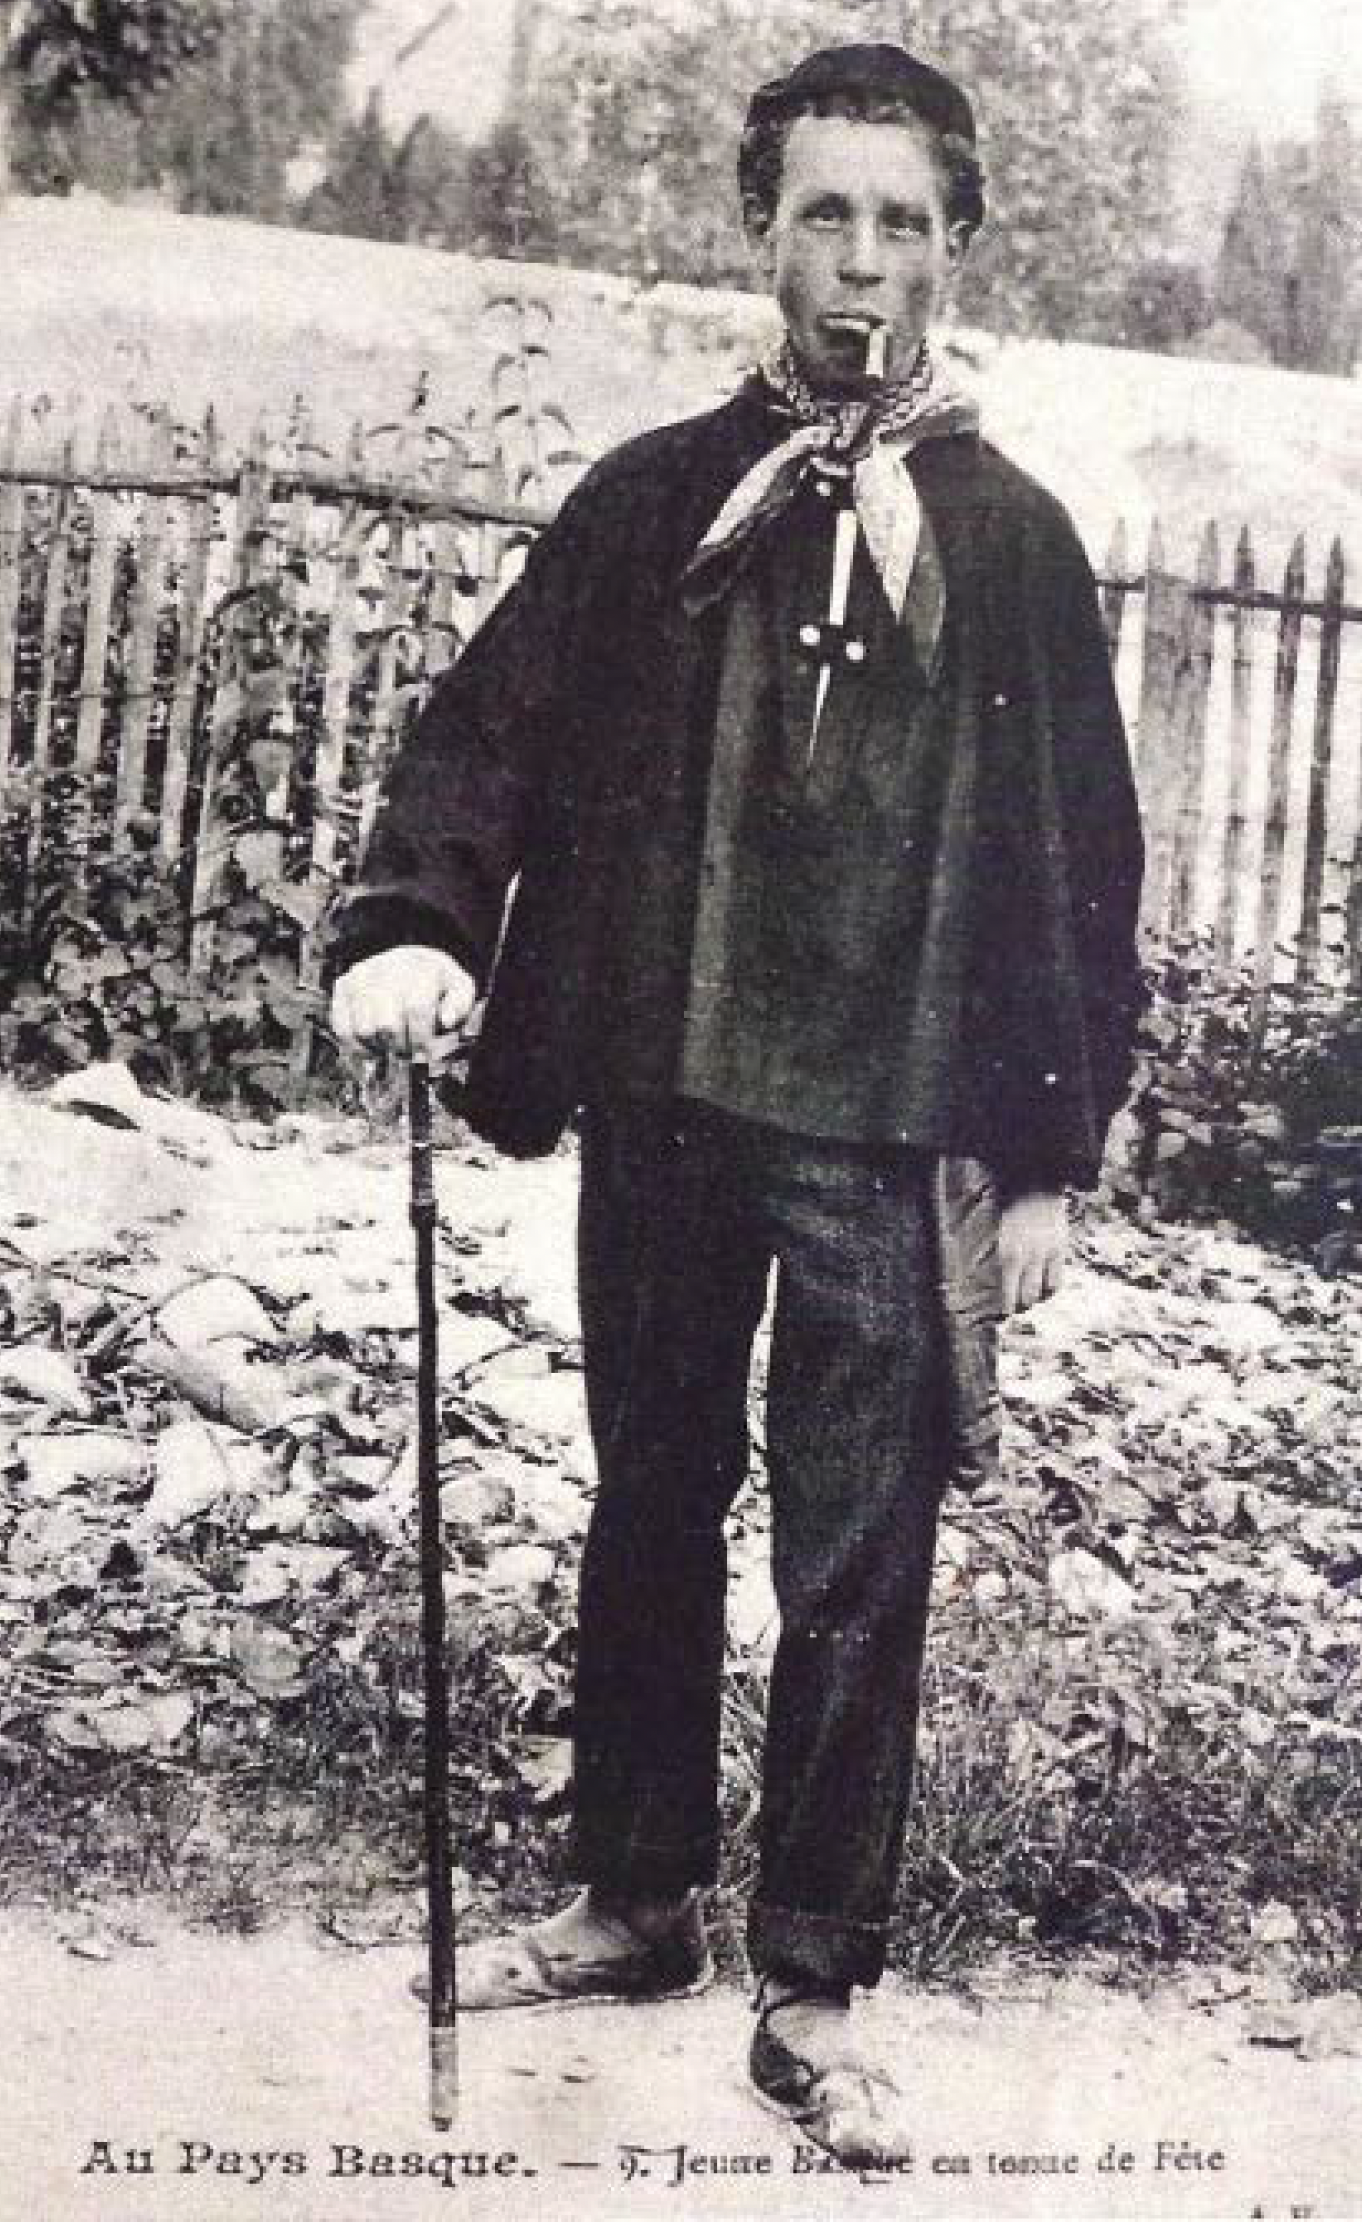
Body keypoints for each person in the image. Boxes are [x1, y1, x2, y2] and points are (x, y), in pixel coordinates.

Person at [330, 41, 1143, 2168]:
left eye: (901, 221)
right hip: (668, 1092)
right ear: (759, 234)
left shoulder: (1012, 542)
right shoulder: (652, 499)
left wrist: (1044, 1153)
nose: (860, 257)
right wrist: (412, 924)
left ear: (956, 252)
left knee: (858, 1556)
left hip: (885, 1129)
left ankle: (816, 1978)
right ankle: (630, 1898)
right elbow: (488, 731)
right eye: (822, 214)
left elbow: (1080, 861)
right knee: (651, 1493)